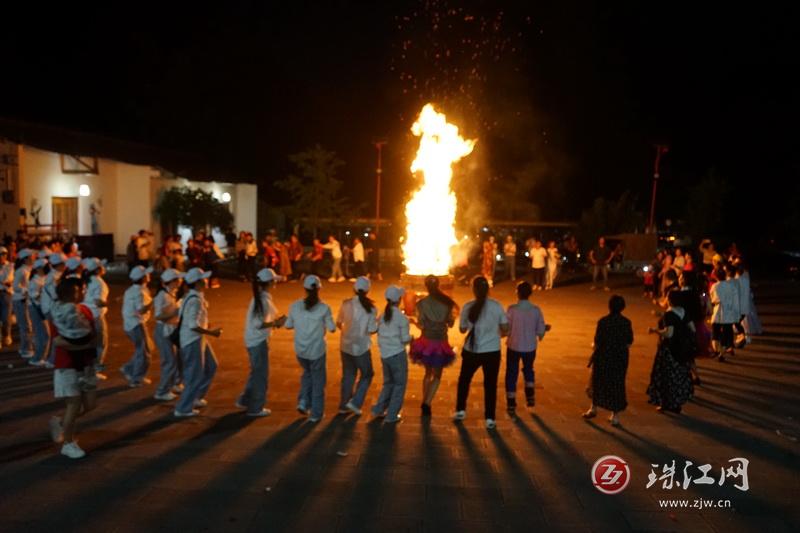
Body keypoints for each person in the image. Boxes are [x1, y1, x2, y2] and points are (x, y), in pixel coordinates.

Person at [48, 276, 98, 459]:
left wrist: (86, 346)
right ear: (72, 292)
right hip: (66, 365)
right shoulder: (58, 313)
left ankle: (61, 422)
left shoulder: (85, 311)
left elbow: (94, 336)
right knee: (74, 404)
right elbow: (59, 342)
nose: (84, 292)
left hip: (86, 364)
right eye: (81, 289)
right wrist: (85, 345)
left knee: (90, 404)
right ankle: (68, 443)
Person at [454, 276, 509, 429]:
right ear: (488, 289)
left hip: (472, 350)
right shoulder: (496, 306)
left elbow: (462, 329)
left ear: (474, 289)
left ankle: (460, 410)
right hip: (492, 351)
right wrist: (500, 331)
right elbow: (505, 327)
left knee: (464, 380)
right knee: (490, 384)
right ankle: (490, 418)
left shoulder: (467, 306)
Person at [285, 275, 336, 422]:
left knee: (307, 373)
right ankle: (316, 413)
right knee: (318, 381)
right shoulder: (324, 308)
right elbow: (332, 328)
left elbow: (288, 325)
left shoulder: (295, 306)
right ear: (319, 289)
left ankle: (303, 401)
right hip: (317, 351)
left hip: (300, 350)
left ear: (304, 289)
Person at [237, 268, 286, 417]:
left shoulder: (259, 298)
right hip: (258, 341)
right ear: (270, 283)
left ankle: (245, 399)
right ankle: (255, 408)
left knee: (256, 372)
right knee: (261, 375)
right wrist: (277, 322)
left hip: (252, 339)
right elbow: (260, 324)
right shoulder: (264, 301)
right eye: (274, 281)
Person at [174, 268, 221, 417]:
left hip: (197, 339)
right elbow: (192, 325)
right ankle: (183, 408)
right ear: (198, 282)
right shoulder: (194, 300)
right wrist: (211, 332)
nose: (206, 281)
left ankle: (195, 397)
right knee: (194, 374)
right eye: (204, 279)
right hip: (192, 340)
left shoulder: (192, 297)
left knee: (211, 365)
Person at [410, 275, 457, 416]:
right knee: (437, 375)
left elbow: (422, 325)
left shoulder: (421, 304)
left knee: (427, 373)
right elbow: (451, 323)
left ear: (426, 286)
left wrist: (413, 322)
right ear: (438, 285)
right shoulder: (447, 302)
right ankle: (427, 402)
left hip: (425, 342)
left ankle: (426, 401)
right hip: (440, 342)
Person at [583, 295, 633, 426]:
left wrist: (595, 347)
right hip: (620, 357)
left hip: (604, 355)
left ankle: (593, 407)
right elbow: (629, 341)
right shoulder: (626, 322)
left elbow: (597, 341)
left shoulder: (603, 321)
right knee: (617, 383)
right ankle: (615, 415)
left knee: (598, 381)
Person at [646, 291, 695, 413]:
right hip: (682, 349)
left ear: (670, 300)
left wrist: (655, 331)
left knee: (666, 377)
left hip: (669, 349)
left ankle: (666, 403)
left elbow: (669, 333)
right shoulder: (683, 311)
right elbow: (692, 328)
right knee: (679, 375)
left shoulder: (669, 314)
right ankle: (677, 403)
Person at [336, 276, 378, 415]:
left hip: (345, 345)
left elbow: (339, 322)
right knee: (367, 374)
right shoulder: (371, 308)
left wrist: (347, 332)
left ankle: (343, 405)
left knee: (348, 374)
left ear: (354, 289)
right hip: (361, 347)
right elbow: (372, 329)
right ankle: (355, 402)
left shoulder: (346, 303)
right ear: (368, 290)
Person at [505, 281, 548, 415]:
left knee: (512, 372)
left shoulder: (512, 309)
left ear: (517, 293)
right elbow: (540, 329)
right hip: (529, 347)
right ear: (530, 294)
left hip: (514, 345)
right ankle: (530, 396)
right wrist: (543, 331)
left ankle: (511, 402)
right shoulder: (536, 310)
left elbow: (506, 328)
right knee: (529, 369)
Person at [372, 285, 411, 423]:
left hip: (385, 355)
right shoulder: (402, 318)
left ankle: (378, 409)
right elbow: (405, 339)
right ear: (399, 300)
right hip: (397, 354)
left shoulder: (382, 316)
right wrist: (412, 338)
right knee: (399, 384)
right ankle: (392, 415)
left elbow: (372, 329)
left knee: (388, 383)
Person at [153, 269, 184, 401]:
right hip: (163, 331)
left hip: (171, 329)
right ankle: (162, 391)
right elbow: (158, 316)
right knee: (169, 361)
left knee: (177, 359)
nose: (180, 281)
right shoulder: (162, 296)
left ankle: (174, 384)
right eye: (178, 279)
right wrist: (176, 312)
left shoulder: (171, 293)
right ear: (171, 281)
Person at [120, 266, 154, 387]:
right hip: (136, 324)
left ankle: (128, 368)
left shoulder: (131, 290)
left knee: (143, 349)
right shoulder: (139, 292)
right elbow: (141, 310)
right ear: (143, 278)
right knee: (144, 352)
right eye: (146, 274)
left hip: (130, 324)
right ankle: (136, 378)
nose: (149, 276)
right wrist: (154, 302)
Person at [82, 258, 110, 379]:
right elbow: (99, 302)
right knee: (101, 343)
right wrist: (109, 303)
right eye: (102, 267)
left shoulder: (86, 280)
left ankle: (84, 370)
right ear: (98, 269)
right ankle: (95, 370)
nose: (104, 268)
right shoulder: (99, 283)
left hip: (84, 313)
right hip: (96, 315)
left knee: (88, 343)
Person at [709, 265, 740, 361]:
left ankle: (716, 350)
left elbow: (712, 299)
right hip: (727, 312)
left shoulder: (714, 286)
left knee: (715, 333)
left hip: (718, 310)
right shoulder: (730, 286)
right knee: (725, 334)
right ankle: (721, 354)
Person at [27, 258, 50, 367]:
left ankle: (41, 356)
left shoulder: (44, 279)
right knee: (43, 335)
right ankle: (37, 358)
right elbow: (34, 296)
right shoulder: (34, 281)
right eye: (45, 266)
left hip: (42, 309)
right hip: (37, 310)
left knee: (44, 334)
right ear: (39, 269)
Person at [13, 248, 34, 357]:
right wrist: (26, 290)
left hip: (26, 300)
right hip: (20, 300)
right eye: (31, 257)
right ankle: (26, 349)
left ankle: (25, 347)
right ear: (25, 259)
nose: (33, 259)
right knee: (25, 325)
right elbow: (15, 286)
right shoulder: (21, 270)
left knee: (27, 324)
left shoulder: (29, 269)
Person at [0, 246, 14, 346]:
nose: (2, 256)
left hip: (6, 294)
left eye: (4, 254)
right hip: (3, 291)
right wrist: (3, 282)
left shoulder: (11, 266)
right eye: (1, 254)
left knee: (6, 318)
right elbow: (4, 281)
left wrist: (4, 282)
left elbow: (8, 280)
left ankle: (7, 335)